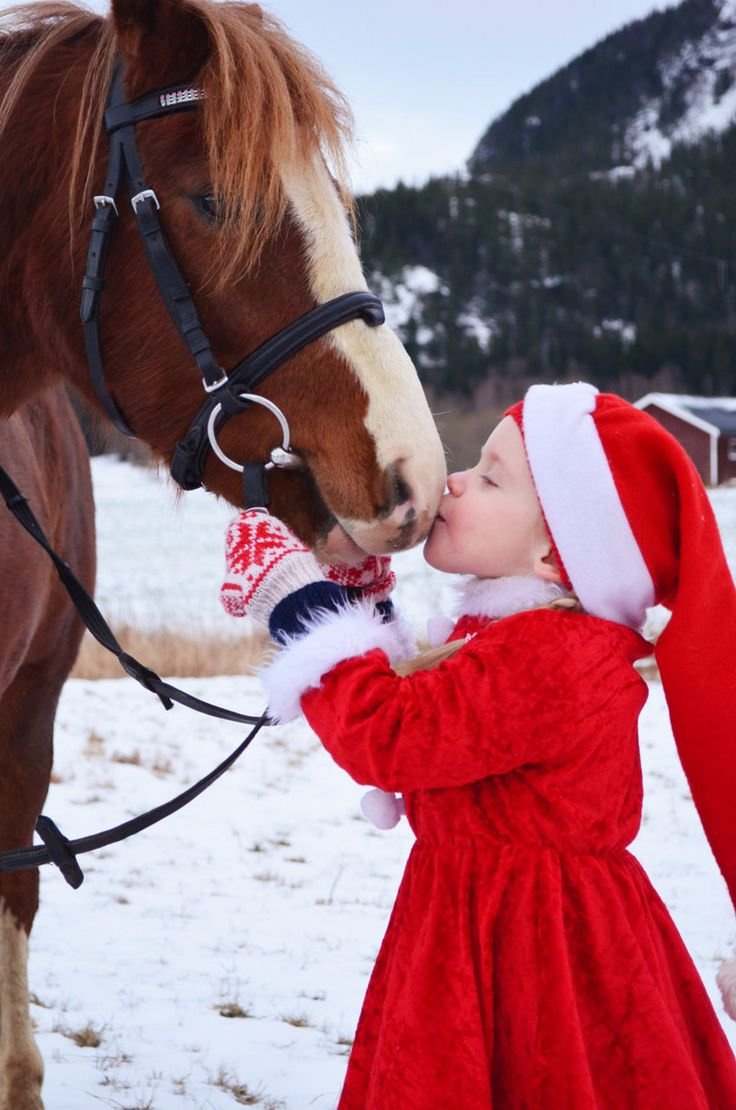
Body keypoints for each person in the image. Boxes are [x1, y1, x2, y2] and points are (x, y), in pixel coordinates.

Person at [220, 381, 736, 1109]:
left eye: (490, 477)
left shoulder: (554, 654)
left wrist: (301, 602)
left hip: (536, 955)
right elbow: (439, 710)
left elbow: (396, 735)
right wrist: (357, 601)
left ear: (557, 554)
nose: (454, 483)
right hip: (485, 922)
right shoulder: (519, 639)